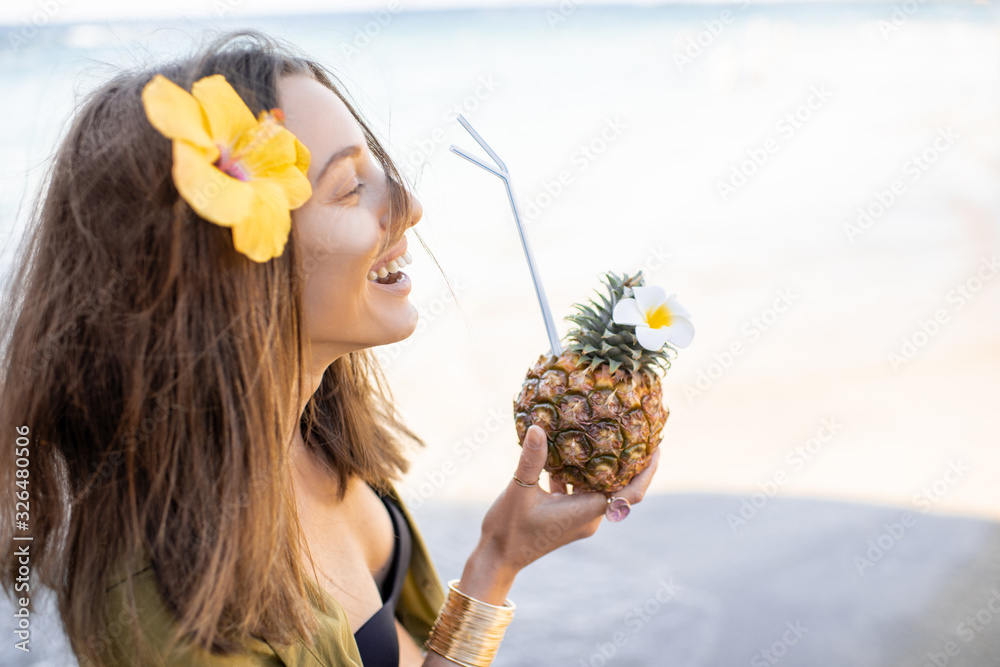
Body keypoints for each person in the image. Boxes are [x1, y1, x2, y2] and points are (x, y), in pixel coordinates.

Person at [0, 29, 658, 666]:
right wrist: (495, 563)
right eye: (349, 186)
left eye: (378, 166)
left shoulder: (312, 421)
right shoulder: (168, 611)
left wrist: (506, 547)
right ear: (230, 268)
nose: (410, 205)